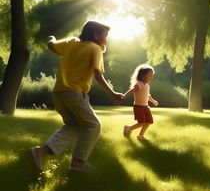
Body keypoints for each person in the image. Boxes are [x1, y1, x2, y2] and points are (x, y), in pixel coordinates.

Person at [29, 21, 124, 172]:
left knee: (73, 125)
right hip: (74, 93)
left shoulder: (72, 42)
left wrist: (51, 38)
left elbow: (52, 46)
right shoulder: (95, 48)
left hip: (58, 93)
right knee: (93, 125)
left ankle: (40, 151)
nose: (107, 39)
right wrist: (113, 93)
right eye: (105, 35)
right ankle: (78, 163)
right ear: (96, 35)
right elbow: (97, 74)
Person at [123, 64, 158, 141]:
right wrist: (125, 95)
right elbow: (132, 90)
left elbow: (147, 96)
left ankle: (141, 136)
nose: (151, 78)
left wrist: (153, 101)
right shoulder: (139, 84)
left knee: (149, 122)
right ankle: (128, 128)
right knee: (141, 122)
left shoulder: (147, 86)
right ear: (142, 76)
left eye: (152, 76)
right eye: (149, 76)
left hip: (146, 107)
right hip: (138, 107)